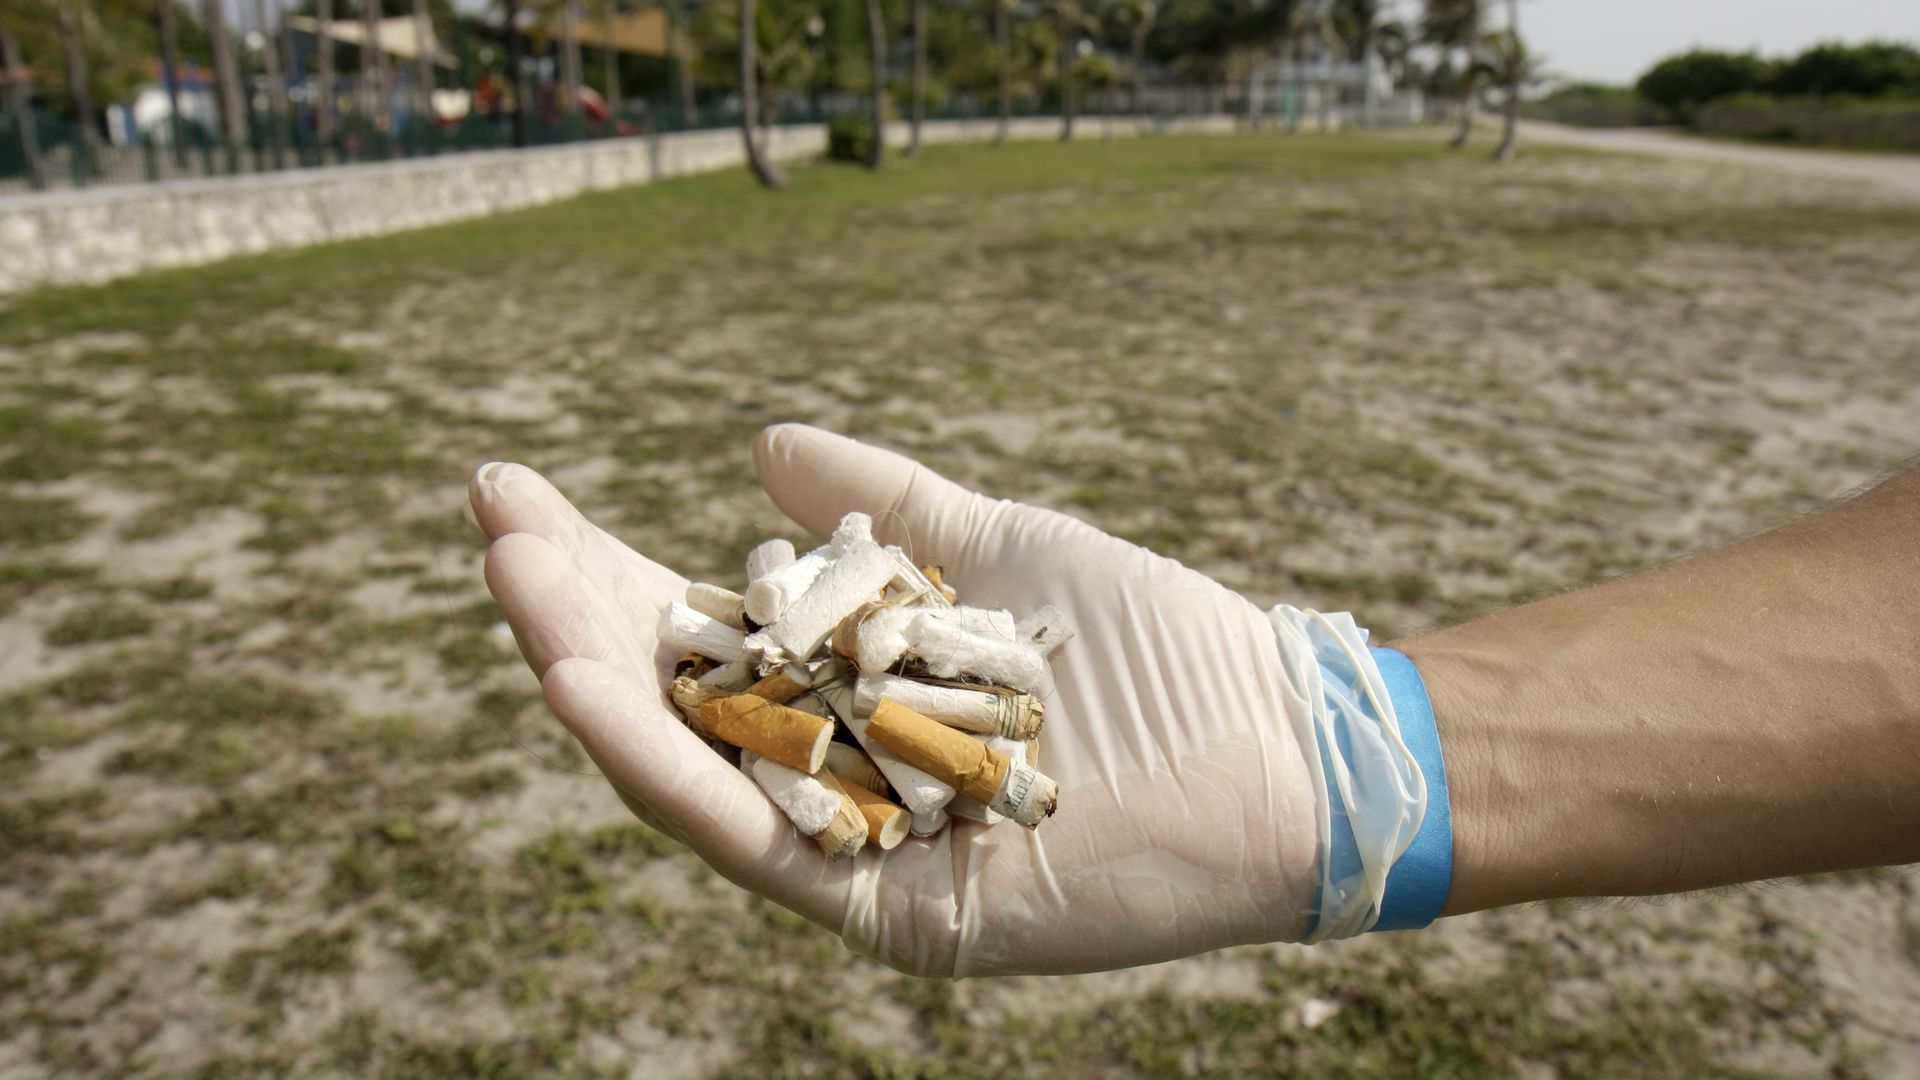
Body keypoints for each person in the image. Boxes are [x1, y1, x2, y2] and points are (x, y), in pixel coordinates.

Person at [468, 423, 1920, 977]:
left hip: (925, 726)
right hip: (862, 716)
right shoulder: (802, 657)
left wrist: (1330, 744)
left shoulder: (891, 665)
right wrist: (1357, 744)